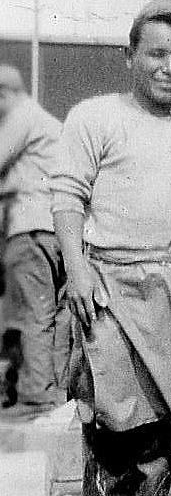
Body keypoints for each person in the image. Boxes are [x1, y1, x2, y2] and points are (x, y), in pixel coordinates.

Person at [53, 0, 171, 496]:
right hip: (109, 283)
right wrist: (77, 269)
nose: (170, 68)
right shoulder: (95, 116)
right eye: (157, 54)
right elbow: (67, 196)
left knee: (165, 409)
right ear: (130, 55)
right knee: (112, 407)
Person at [0, 64, 68, 413]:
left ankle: (37, 393)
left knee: (31, 315)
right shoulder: (51, 124)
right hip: (56, 231)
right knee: (51, 315)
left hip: (29, 230)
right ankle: (52, 388)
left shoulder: (22, 116)